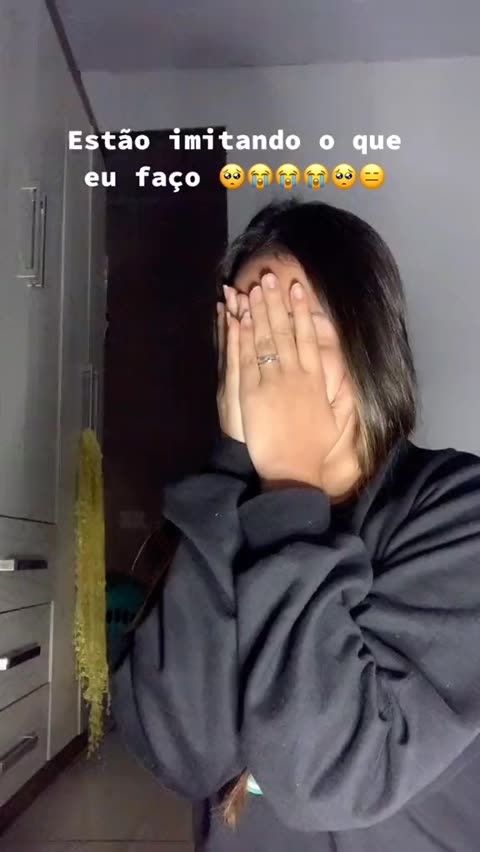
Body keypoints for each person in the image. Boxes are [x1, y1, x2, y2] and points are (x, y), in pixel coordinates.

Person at [110, 200, 480, 852]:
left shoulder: (457, 508)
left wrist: (289, 485)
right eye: (248, 327)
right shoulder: (226, 510)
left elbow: (332, 776)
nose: (268, 359)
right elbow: (181, 754)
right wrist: (234, 465)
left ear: (369, 341)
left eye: (296, 325)